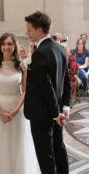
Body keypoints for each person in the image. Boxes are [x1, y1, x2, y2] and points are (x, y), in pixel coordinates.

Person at [0, 33, 40, 174]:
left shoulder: (22, 65)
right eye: (3, 44)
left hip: (17, 109)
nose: (6, 47)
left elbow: (24, 91)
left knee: (17, 144)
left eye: (9, 44)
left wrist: (16, 110)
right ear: (0, 46)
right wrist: (1, 113)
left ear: (14, 46)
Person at [24, 11, 71, 174]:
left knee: (46, 156)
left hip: (42, 114)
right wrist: (65, 106)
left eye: (29, 29)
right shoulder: (60, 49)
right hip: (56, 111)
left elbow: (46, 87)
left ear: (39, 30)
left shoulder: (40, 54)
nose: (27, 33)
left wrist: (55, 114)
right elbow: (67, 80)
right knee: (59, 148)